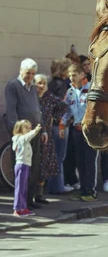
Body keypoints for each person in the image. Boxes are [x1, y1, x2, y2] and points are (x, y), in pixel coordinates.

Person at [5, 58, 48, 210]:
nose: (30, 76)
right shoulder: (13, 86)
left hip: (34, 132)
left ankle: (29, 200)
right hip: (22, 135)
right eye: (28, 73)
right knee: (21, 170)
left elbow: (38, 110)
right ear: (20, 71)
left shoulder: (32, 88)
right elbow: (11, 111)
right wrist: (16, 133)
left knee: (34, 166)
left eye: (32, 73)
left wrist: (42, 130)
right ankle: (20, 203)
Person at [59, 63, 98, 201]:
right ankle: (82, 189)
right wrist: (62, 126)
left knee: (89, 160)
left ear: (82, 75)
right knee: (80, 161)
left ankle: (90, 190)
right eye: (69, 75)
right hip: (76, 130)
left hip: (90, 130)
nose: (71, 77)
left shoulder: (91, 89)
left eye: (74, 75)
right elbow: (67, 111)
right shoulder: (70, 92)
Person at [34, 74, 66, 202]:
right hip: (32, 135)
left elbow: (63, 106)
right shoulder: (31, 97)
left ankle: (39, 195)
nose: (41, 86)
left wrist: (55, 117)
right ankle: (30, 194)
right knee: (33, 166)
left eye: (44, 83)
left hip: (46, 136)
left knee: (43, 166)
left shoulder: (49, 97)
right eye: (39, 83)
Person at [47, 58, 73, 194]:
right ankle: (58, 187)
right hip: (60, 125)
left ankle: (54, 185)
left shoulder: (51, 84)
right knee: (59, 156)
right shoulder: (62, 85)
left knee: (54, 156)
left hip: (52, 124)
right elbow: (63, 105)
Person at [12, 120, 42, 216]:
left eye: (30, 127)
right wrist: (35, 130)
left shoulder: (23, 139)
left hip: (25, 165)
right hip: (21, 165)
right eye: (26, 127)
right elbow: (27, 137)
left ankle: (23, 207)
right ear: (20, 129)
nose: (29, 129)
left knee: (24, 188)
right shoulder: (19, 138)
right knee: (20, 188)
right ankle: (17, 209)